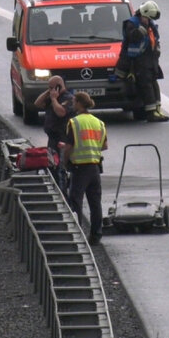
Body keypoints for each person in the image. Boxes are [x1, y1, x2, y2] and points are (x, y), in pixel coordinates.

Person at [62, 92, 109, 244]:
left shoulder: (74, 122)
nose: (72, 104)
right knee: (95, 203)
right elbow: (104, 146)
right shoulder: (99, 123)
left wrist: (64, 161)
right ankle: (96, 236)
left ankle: (77, 235)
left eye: (74, 101)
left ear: (80, 103)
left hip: (79, 168)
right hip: (95, 167)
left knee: (76, 201)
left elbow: (69, 147)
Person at [115, 0, 169, 122]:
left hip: (151, 60)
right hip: (138, 62)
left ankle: (157, 110)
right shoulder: (132, 24)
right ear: (143, 14)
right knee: (146, 86)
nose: (150, 21)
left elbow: (155, 39)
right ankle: (150, 113)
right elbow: (132, 38)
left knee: (154, 85)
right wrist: (142, 27)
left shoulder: (150, 24)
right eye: (148, 18)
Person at [34, 75, 73, 191]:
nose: (50, 90)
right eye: (49, 87)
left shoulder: (68, 98)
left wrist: (54, 99)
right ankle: (55, 186)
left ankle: (63, 190)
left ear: (59, 87)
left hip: (62, 138)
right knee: (52, 165)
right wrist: (48, 92)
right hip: (52, 138)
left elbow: (61, 112)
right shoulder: (51, 97)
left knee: (60, 167)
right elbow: (37, 103)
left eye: (52, 87)